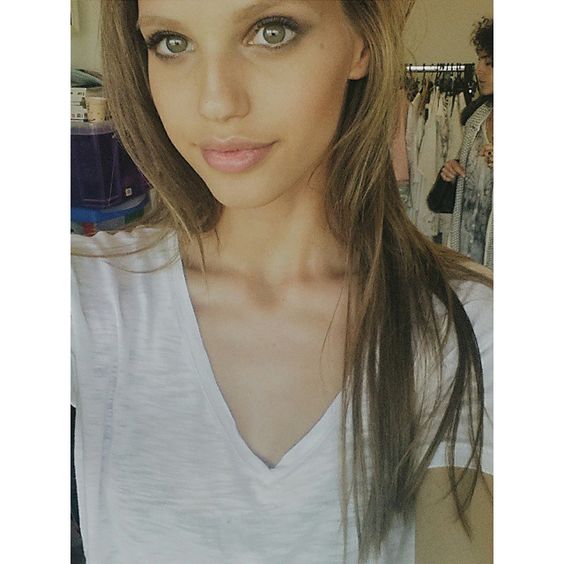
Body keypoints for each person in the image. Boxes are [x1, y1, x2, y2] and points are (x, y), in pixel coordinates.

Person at [71, 1, 493, 563]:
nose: (216, 102)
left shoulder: (470, 328)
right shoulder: (88, 293)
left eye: (271, 32)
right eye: (172, 43)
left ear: (363, 44)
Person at [439, 17, 494, 269]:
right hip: (467, 254)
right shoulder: (475, 120)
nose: (479, 70)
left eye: (490, 63)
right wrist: (451, 173)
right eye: (479, 60)